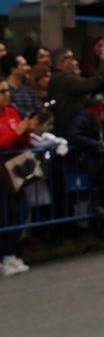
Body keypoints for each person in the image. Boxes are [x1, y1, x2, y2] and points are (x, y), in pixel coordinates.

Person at [0, 77, 35, 277]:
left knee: (20, 211)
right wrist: (16, 134)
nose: (7, 95)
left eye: (7, 91)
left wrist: (25, 132)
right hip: (1, 173)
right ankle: (4, 257)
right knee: (4, 215)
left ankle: (9, 255)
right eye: (2, 92)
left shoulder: (12, 111)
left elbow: (22, 140)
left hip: (15, 171)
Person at [47, 47, 104, 129]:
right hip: (68, 126)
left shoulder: (60, 77)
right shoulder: (62, 78)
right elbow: (92, 84)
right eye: (71, 59)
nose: (75, 62)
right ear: (62, 62)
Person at [1, 54, 42, 119]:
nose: (29, 68)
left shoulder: (28, 90)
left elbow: (39, 110)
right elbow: (14, 112)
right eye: (24, 65)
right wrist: (31, 114)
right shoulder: (4, 92)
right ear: (13, 70)